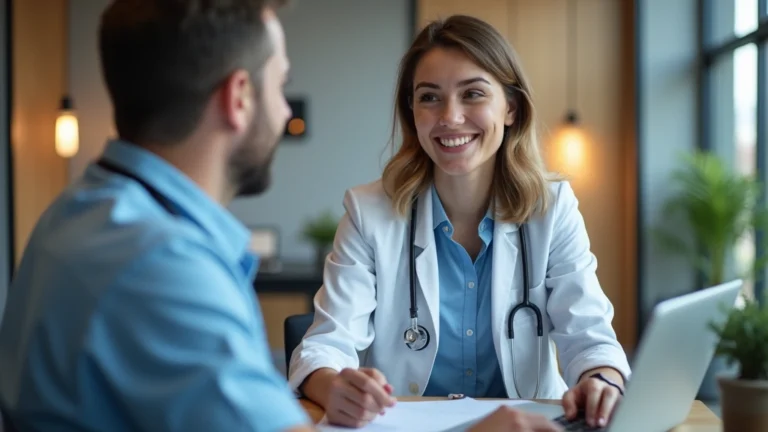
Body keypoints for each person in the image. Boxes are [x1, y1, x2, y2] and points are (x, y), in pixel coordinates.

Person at [0, 2, 562, 431]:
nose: (286, 108)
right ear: (239, 97)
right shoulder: (161, 264)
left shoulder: (78, 214)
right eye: (282, 83)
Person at [288, 14, 632, 430]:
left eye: (472, 94)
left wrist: (601, 382)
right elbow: (326, 345)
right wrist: (334, 386)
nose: (450, 117)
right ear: (412, 112)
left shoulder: (551, 207)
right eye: (429, 97)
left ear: (511, 108)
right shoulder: (368, 212)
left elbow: (591, 337)